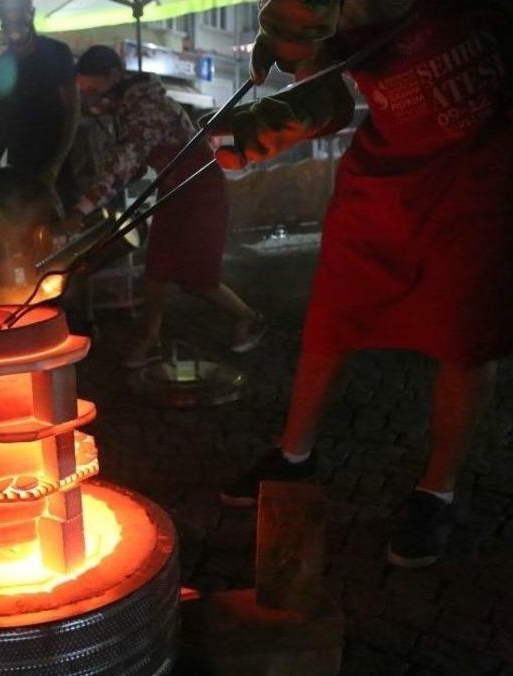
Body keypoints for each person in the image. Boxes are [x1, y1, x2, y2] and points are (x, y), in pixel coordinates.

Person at [214, 0, 511, 569]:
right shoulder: (338, 13)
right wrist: (281, 121)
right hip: (381, 186)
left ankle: (436, 491)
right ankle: (295, 454)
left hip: (479, 183)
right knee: (331, 319)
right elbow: (325, 95)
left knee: (466, 337)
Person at [61, 46, 266, 368]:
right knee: (156, 268)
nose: (89, 98)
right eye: (84, 91)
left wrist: (81, 210)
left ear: (114, 76)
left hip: (200, 188)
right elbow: (139, 162)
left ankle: (250, 318)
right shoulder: (128, 104)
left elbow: (126, 160)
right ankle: (151, 339)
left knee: (198, 277)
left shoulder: (144, 104)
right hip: (172, 189)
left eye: (92, 89)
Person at [0, 0, 79, 220]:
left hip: (57, 167)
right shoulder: (1, 64)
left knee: (62, 235)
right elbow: (4, 120)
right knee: (23, 238)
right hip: (19, 167)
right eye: (6, 14)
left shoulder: (56, 53)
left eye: (18, 13)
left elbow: (73, 112)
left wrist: (55, 166)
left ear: (31, 13)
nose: (12, 21)